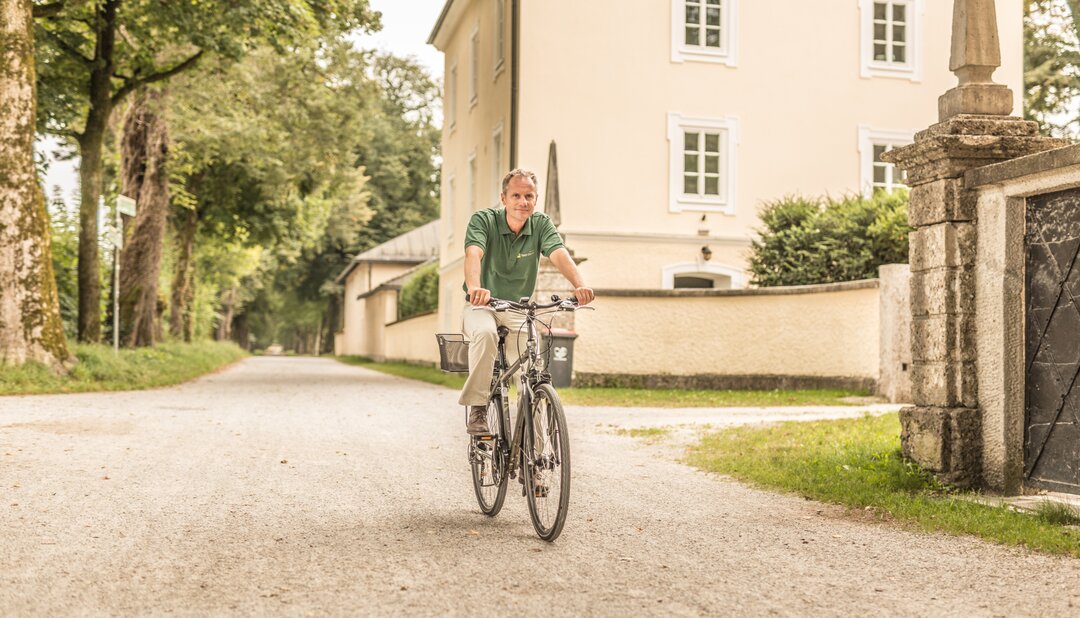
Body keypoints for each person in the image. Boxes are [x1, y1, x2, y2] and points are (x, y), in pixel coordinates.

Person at [460, 168, 594, 434]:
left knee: (531, 374)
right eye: (517, 195)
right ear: (504, 198)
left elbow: (559, 254)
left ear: (536, 198)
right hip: (481, 305)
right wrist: (476, 288)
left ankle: (536, 458)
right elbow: (473, 254)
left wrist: (580, 285)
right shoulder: (483, 220)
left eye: (529, 196)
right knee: (486, 334)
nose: (523, 202)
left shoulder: (541, 224)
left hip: (517, 308)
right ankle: (478, 406)